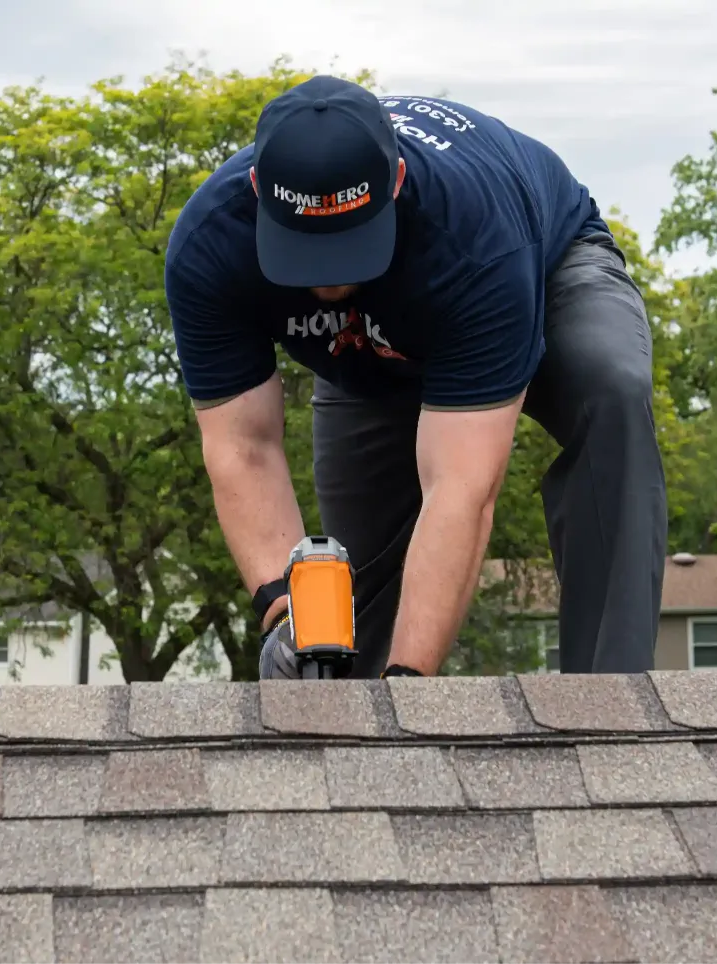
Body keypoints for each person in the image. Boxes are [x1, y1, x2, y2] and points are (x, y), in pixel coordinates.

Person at [162, 75, 666, 679]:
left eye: (349, 250)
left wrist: (409, 691)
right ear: (257, 193)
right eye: (304, 252)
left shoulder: (478, 238)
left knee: (610, 388)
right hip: (367, 352)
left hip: (539, 267)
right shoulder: (209, 244)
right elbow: (243, 445)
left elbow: (462, 487)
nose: (326, 282)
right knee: (343, 624)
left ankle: (608, 696)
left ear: (395, 184)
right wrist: (285, 611)